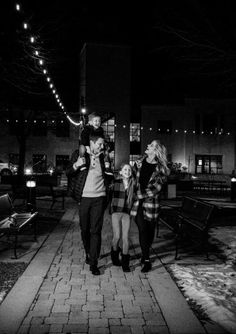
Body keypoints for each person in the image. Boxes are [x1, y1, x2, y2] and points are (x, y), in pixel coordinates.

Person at [66, 134, 113, 275]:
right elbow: (68, 172)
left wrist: (108, 169)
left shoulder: (104, 156)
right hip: (84, 199)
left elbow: (109, 177)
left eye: (102, 144)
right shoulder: (79, 154)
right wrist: (76, 165)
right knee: (84, 229)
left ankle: (94, 262)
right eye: (99, 144)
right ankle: (88, 252)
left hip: (99, 198)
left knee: (95, 231)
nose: (101, 146)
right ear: (91, 143)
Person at [130, 140, 169, 273]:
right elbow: (132, 179)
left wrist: (140, 194)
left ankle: (145, 252)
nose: (147, 146)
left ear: (156, 151)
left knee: (149, 231)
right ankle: (146, 260)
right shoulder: (139, 163)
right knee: (142, 229)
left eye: (151, 145)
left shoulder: (160, 169)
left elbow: (156, 188)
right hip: (137, 203)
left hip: (151, 204)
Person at [110, 163, 135, 272]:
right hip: (116, 212)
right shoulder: (115, 182)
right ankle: (115, 256)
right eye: (125, 169)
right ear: (120, 172)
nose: (127, 171)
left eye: (129, 170)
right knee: (117, 236)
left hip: (126, 213)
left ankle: (125, 264)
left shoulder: (133, 184)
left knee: (125, 238)